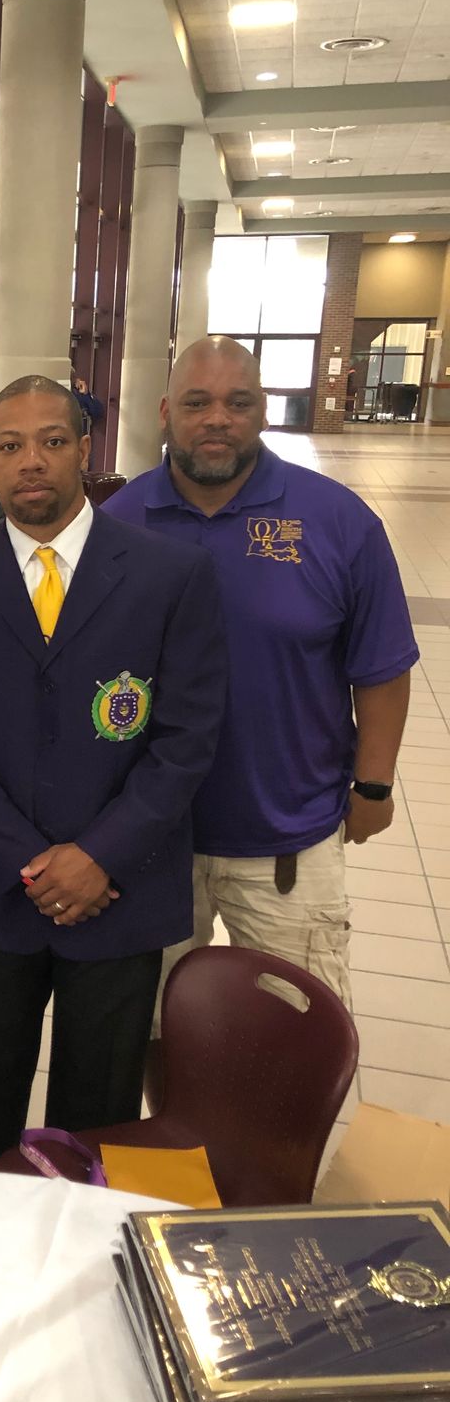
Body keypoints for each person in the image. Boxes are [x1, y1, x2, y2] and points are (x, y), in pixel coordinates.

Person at [0, 376, 226, 1170]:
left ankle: (81, 1240)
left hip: (120, 893)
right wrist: (33, 864)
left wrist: (98, 857)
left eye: (51, 441)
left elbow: (185, 739)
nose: (32, 462)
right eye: (10, 445)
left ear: (85, 447)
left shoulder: (170, 575)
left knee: (99, 1116)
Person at [104, 336, 417, 1086]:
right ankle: (175, 1141)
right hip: (150, 841)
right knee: (152, 1028)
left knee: (294, 1044)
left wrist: (374, 785)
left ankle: (270, 1158)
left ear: (264, 410)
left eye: (237, 402)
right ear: (164, 412)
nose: (217, 418)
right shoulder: (117, 520)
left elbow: (381, 666)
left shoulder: (337, 521)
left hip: (288, 840)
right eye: (197, 402)